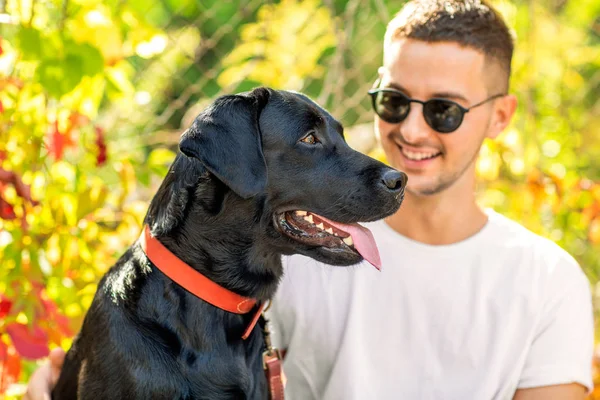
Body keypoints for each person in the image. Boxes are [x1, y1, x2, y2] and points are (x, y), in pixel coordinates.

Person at [24, 1, 594, 399]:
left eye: (444, 110)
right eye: (394, 101)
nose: (412, 131)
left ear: (501, 116)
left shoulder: (545, 280)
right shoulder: (284, 253)